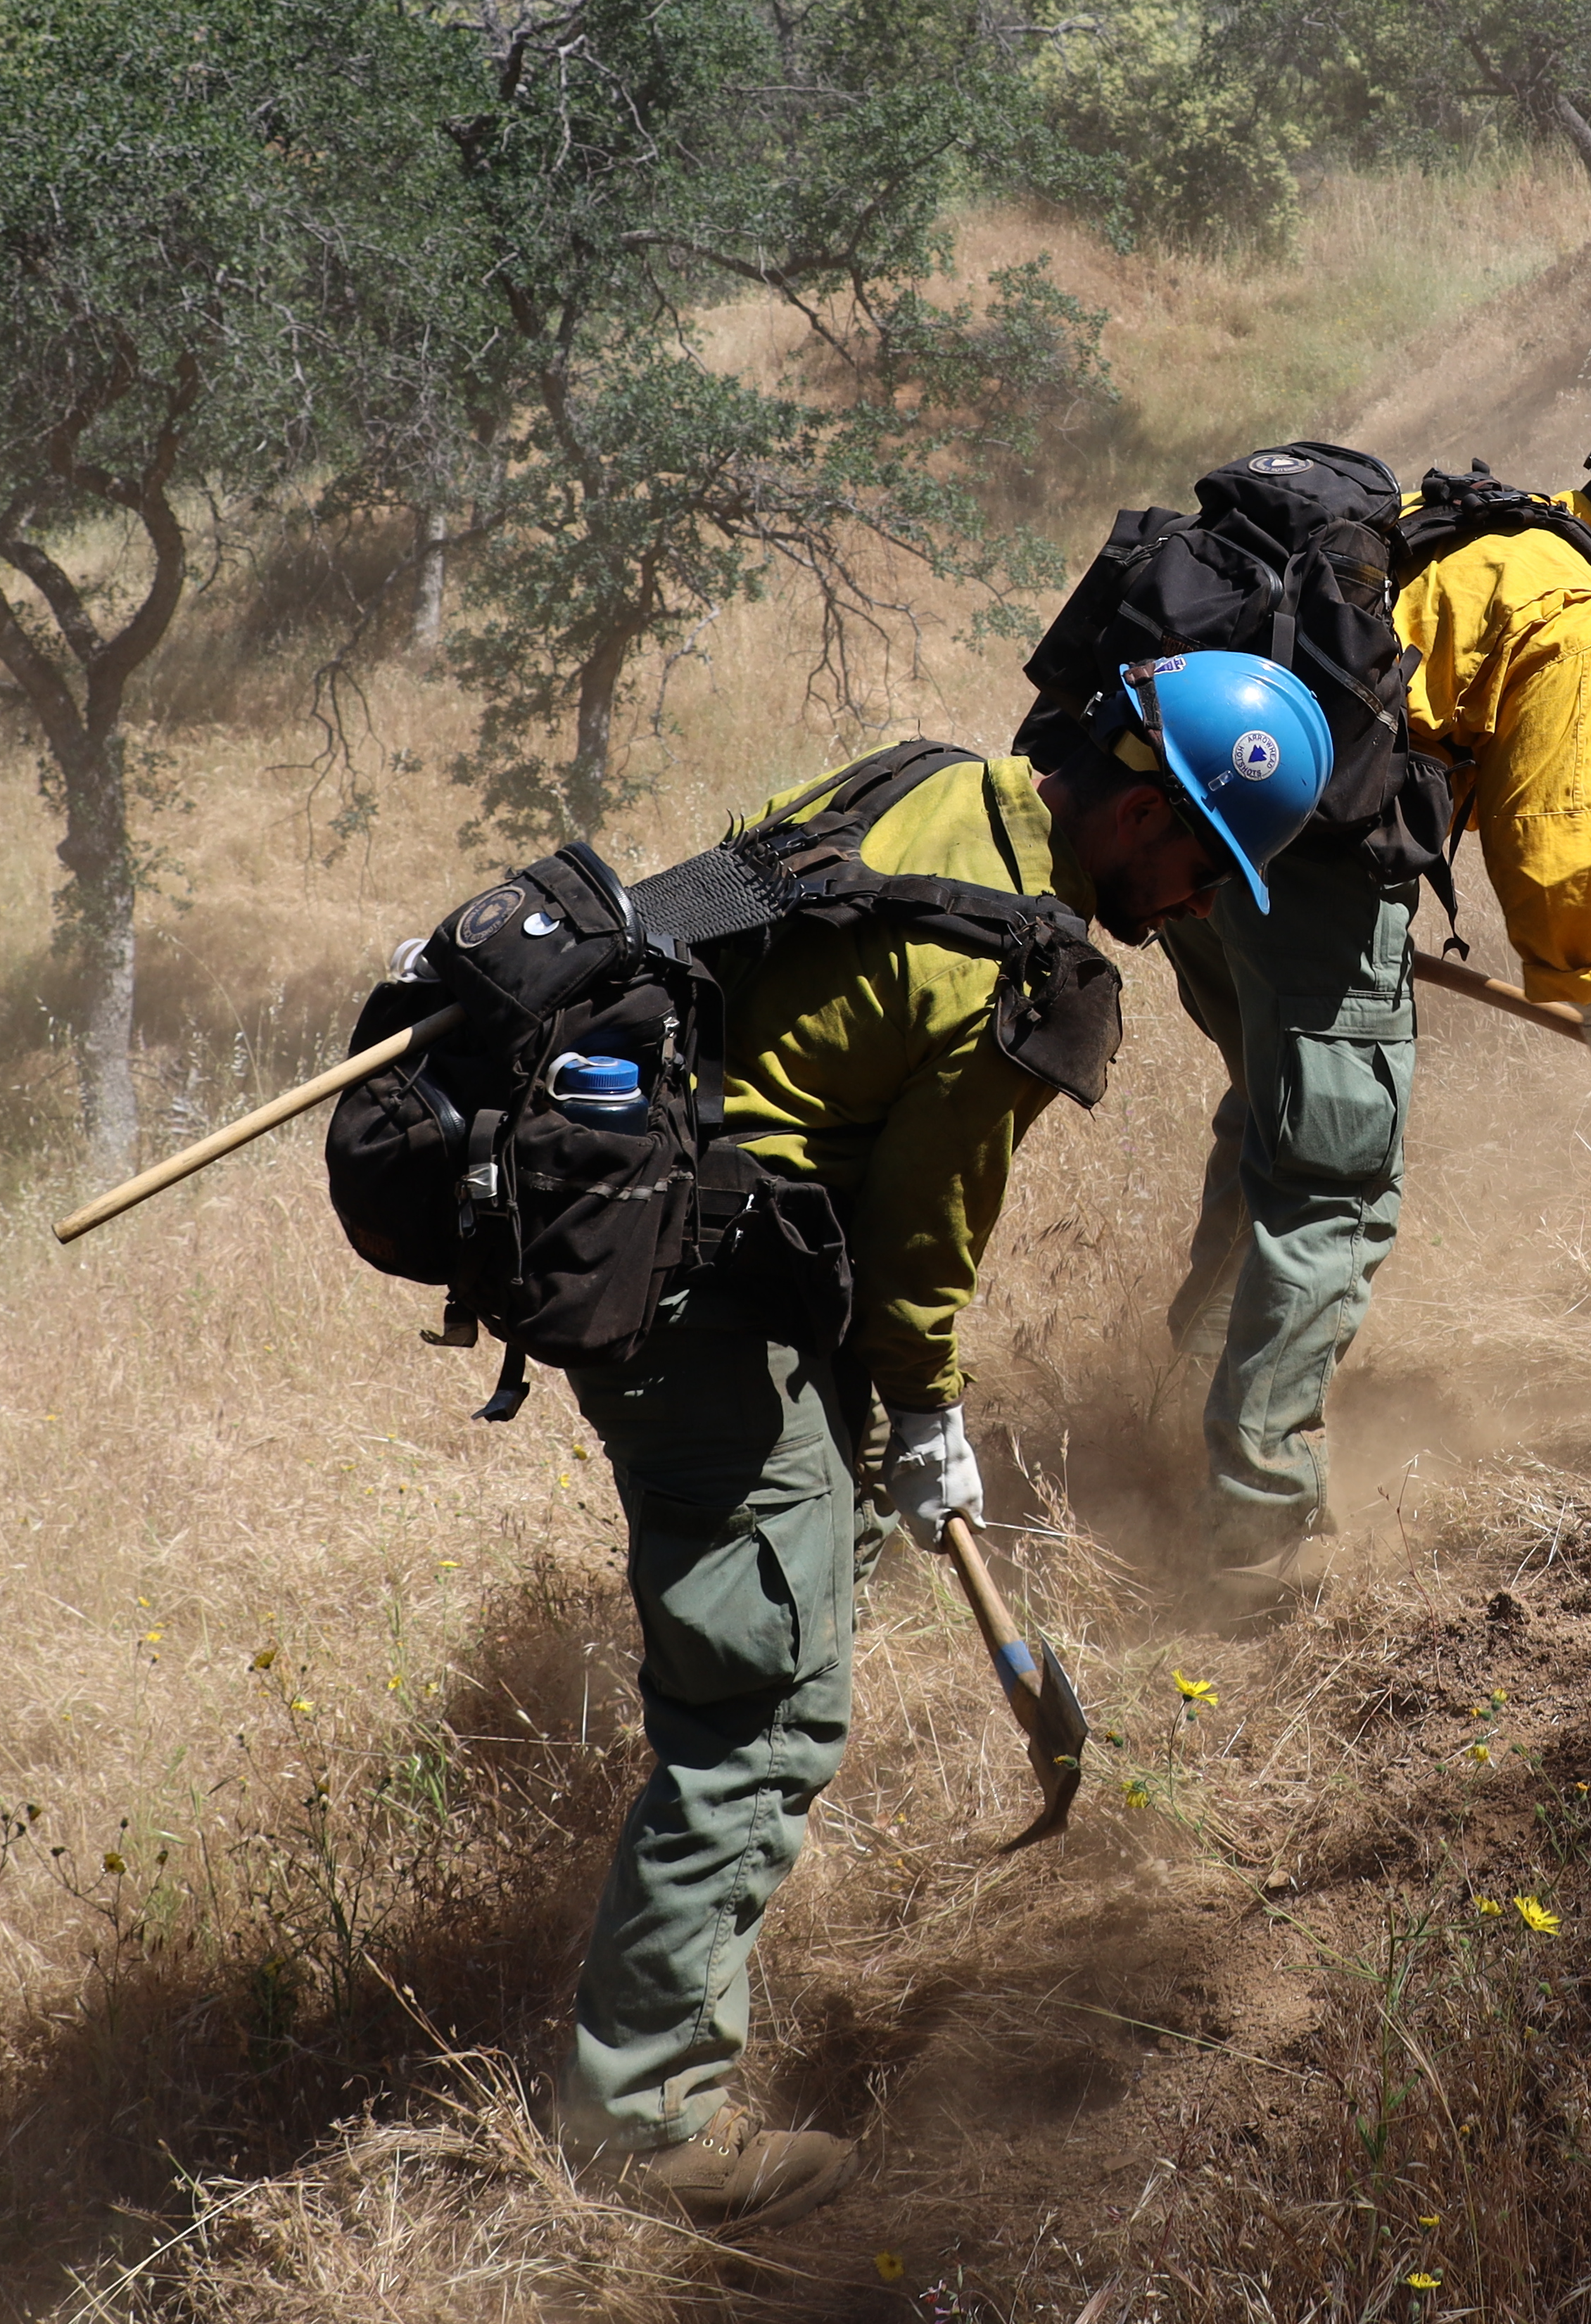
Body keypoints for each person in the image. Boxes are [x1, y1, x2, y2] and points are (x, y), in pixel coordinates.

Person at [554, 649, 1330, 2228]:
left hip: (650, 1217)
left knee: (787, 1608)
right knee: (768, 1703)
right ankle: (642, 2131)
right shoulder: (1027, 968)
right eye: (1193, 862)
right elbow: (925, 1229)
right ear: (1133, 806)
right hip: (707, 1288)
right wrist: (929, 1414)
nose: (1189, 904)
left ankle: (655, 2020)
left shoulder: (928, 781)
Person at [1159, 409, 1591, 1610]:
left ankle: (1183, 1396)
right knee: (1334, 1182)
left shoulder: (1486, 529)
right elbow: (1553, 860)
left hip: (1209, 845)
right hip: (1313, 881)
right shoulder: (1573, 609)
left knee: (1277, 1122)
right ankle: (1252, 1535)